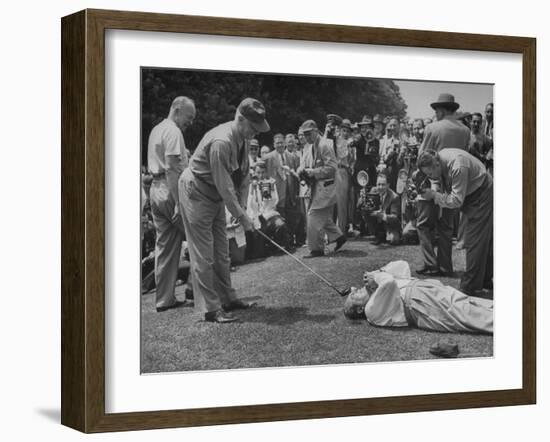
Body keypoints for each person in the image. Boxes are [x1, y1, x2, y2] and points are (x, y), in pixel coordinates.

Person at [178, 97, 269, 323]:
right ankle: (210, 308)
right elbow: (225, 185)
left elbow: (245, 177)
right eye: (253, 128)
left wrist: (244, 210)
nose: (256, 133)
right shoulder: (221, 142)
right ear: (240, 119)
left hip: (215, 196)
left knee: (222, 253)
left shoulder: (244, 138)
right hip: (197, 192)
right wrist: (241, 216)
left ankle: (228, 298)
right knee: (204, 255)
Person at [417, 148, 493, 296]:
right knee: (485, 239)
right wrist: (434, 189)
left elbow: (456, 200)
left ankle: (470, 286)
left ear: (437, 164)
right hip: (473, 192)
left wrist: (434, 195)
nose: (430, 177)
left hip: (482, 193)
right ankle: (484, 279)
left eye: (430, 173)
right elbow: (440, 182)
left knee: (474, 240)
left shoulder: (458, 166)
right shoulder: (439, 158)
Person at [343, 260, 493, 334]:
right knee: (467, 314)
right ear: (359, 309)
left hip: (426, 290)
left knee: (469, 303)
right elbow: (389, 282)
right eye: (354, 294)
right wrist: (376, 276)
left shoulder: (377, 292)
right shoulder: (370, 311)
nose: (356, 288)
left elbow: (402, 265)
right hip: (421, 305)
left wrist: (378, 270)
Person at [147, 96, 195, 312]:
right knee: (198, 238)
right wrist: (178, 202)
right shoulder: (173, 131)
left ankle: (164, 299)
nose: (190, 122)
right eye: (189, 117)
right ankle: (195, 289)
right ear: (177, 110)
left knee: (165, 246)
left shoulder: (157, 129)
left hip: (155, 191)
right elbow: (173, 169)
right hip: (169, 190)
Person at [415, 93, 470, 277]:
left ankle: (431, 264)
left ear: (441, 110)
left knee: (424, 224)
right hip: (454, 181)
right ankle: (445, 266)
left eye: (437, 110)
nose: (436, 113)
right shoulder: (464, 130)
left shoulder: (432, 127)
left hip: (432, 180)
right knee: (446, 227)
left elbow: (422, 158)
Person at [297, 119, 346, 258]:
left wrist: (313, 172)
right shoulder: (313, 145)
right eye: (305, 135)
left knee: (313, 216)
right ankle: (338, 237)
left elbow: (332, 169)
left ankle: (316, 249)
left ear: (316, 131)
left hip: (327, 187)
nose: (307, 137)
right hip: (320, 187)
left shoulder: (324, 145)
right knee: (322, 217)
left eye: (309, 134)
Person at [247, 161, 290, 253]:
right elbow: (250, 205)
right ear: (254, 173)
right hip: (255, 217)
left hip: (269, 214)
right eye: (258, 173)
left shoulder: (269, 184)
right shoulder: (249, 186)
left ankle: (281, 245)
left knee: (280, 224)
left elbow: (275, 201)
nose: (261, 175)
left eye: (263, 172)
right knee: (258, 251)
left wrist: (270, 192)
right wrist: (252, 189)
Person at [360, 173, 402, 245]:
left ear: (388, 185)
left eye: (383, 184)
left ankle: (388, 233)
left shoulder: (394, 197)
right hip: (378, 223)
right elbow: (359, 207)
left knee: (394, 240)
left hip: (390, 224)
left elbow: (395, 218)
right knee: (365, 212)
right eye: (378, 184)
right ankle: (377, 234)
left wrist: (382, 215)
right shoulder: (372, 191)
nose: (380, 187)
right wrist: (362, 198)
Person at [378, 117, 402, 190]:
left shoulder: (404, 141)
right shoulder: (388, 141)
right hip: (390, 172)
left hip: (401, 173)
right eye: (391, 125)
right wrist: (388, 155)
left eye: (394, 125)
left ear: (399, 126)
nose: (392, 128)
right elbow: (383, 158)